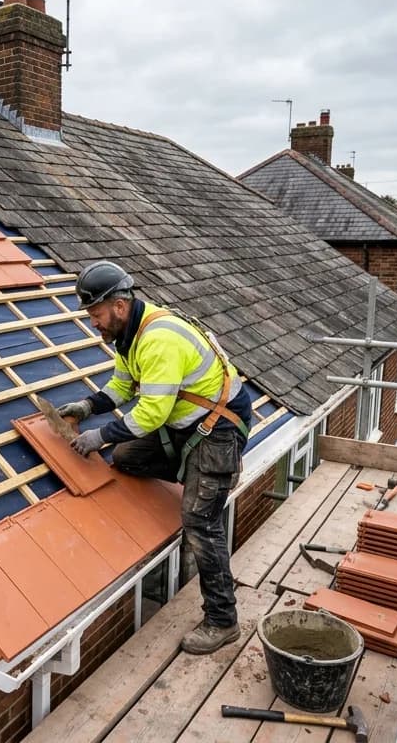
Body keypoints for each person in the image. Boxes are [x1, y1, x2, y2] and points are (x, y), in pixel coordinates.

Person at [58, 261, 253, 655]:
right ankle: (205, 476)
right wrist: (87, 406)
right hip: (186, 427)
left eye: (95, 314)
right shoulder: (129, 337)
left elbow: (151, 413)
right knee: (126, 457)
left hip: (219, 427)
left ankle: (223, 620)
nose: (93, 323)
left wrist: (97, 437)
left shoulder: (158, 340)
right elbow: (121, 385)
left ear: (118, 305)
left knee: (199, 519)